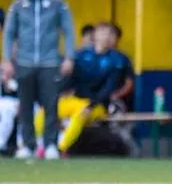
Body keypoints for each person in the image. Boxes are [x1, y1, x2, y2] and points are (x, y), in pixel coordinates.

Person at [3, 0, 76, 160]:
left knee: (51, 105)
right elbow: (9, 33)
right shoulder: (18, 5)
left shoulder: (58, 4)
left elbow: (68, 30)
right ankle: (28, 145)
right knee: (25, 106)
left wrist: (69, 56)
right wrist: (7, 60)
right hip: (24, 62)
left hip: (50, 62)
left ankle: (51, 144)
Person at [34, 22, 129, 155]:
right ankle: (40, 146)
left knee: (79, 116)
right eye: (103, 32)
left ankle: (60, 149)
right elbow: (69, 79)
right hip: (75, 100)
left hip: (97, 105)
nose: (106, 36)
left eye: (110, 34)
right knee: (45, 111)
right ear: (95, 35)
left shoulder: (117, 59)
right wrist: (62, 89)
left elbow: (109, 88)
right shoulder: (80, 55)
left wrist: (92, 104)